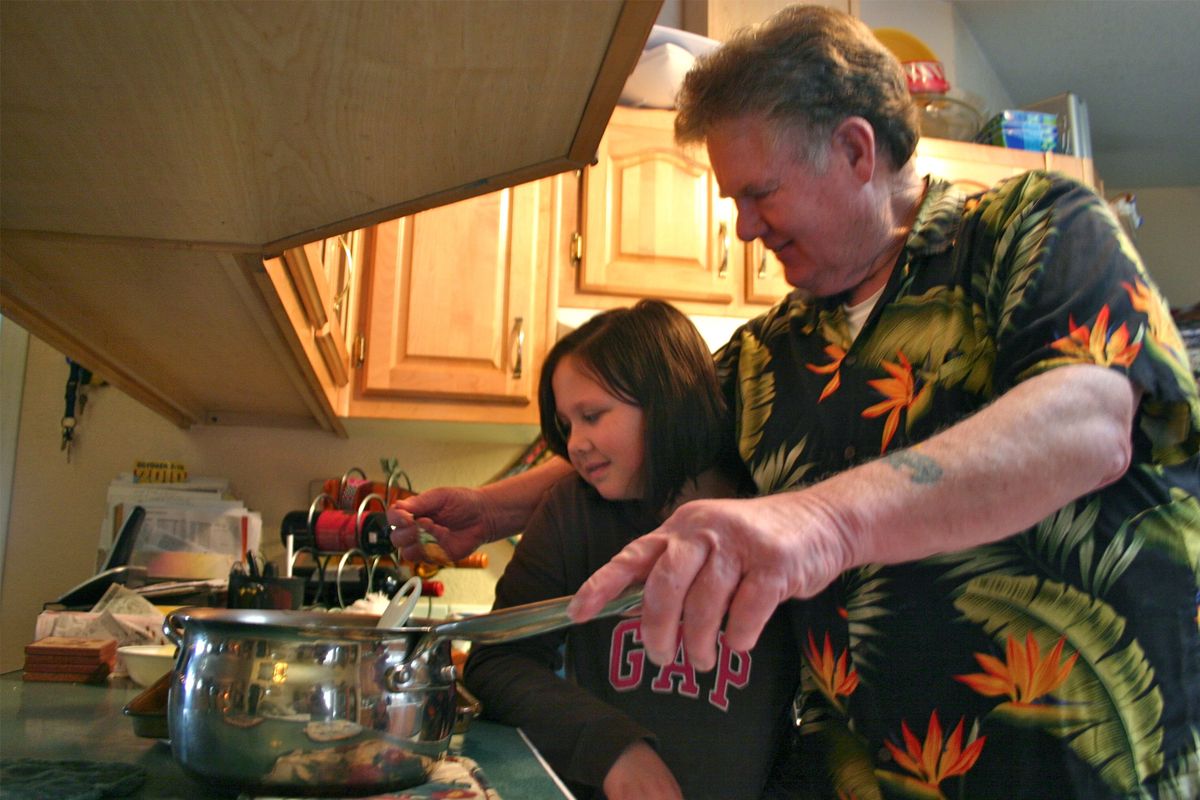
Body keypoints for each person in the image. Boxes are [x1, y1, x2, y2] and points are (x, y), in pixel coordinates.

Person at [392, 6, 1200, 797]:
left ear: (854, 149)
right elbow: (656, 429)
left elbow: (1092, 423)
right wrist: (496, 511)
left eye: (759, 193)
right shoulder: (773, 348)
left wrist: (821, 522)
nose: (742, 229)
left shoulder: (1034, 226)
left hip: (1077, 768)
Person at [460, 299, 800, 800]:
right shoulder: (571, 511)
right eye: (567, 425)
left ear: (666, 399)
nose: (575, 443)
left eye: (592, 416)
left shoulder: (775, 509)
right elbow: (497, 662)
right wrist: (612, 749)